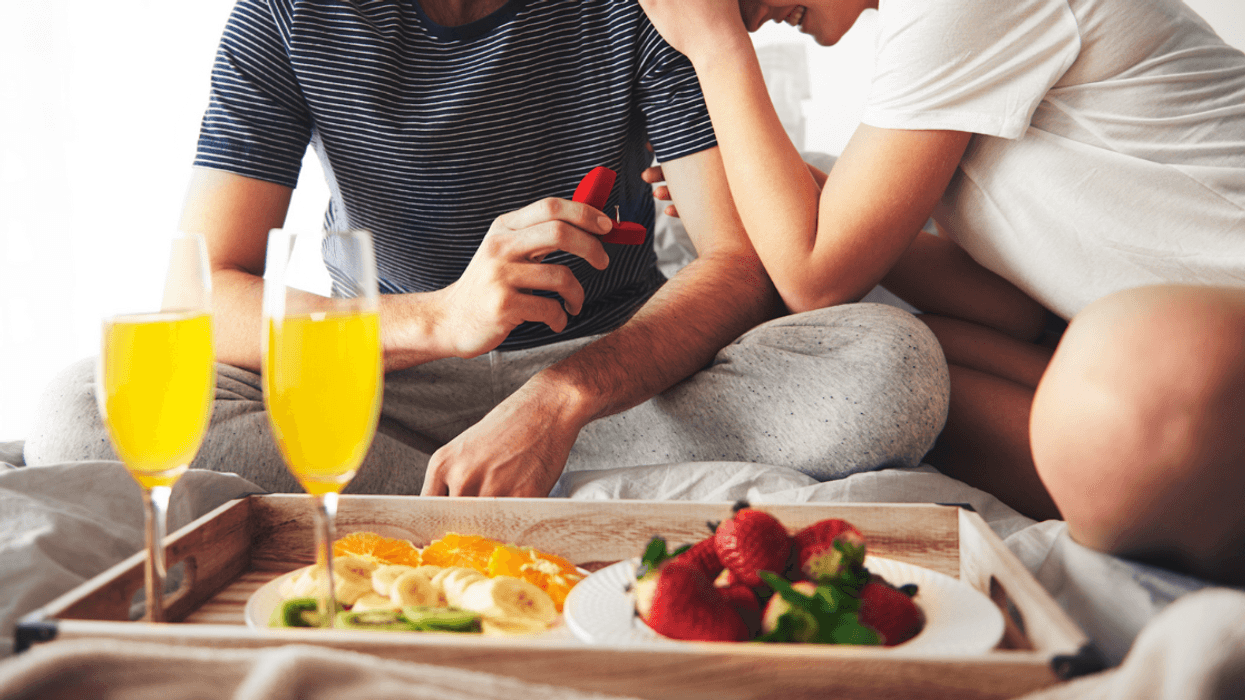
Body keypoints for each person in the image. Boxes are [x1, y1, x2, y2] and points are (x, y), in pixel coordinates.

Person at [25, 0, 950, 499]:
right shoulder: (283, 15)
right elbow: (203, 293)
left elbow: (737, 263)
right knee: (86, 404)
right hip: (401, 380)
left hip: (616, 381)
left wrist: (560, 400)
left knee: (884, 363)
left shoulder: (645, 7)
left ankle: (476, 482)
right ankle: (486, 488)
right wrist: (440, 317)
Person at [636, 0, 1245, 583]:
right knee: (895, 362)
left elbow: (815, 278)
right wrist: (803, 200)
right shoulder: (929, 37)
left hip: (1203, 335)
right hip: (1161, 332)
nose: (745, 11)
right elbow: (1010, 306)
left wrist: (714, 46)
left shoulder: (955, 7)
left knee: (1110, 380)